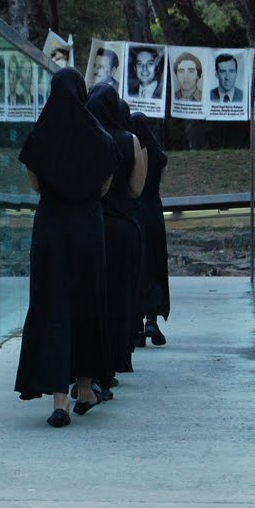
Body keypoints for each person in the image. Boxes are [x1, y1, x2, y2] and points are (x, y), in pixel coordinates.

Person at [15, 68, 120, 427]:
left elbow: (35, 185)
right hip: (87, 231)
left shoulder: (40, 137)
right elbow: (104, 187)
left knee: (52, 306)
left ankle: (59, 400)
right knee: (88, 306)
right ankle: (85, 390)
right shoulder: (101, 139)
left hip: (50, 231)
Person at [86, 84, 147, 387]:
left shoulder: (85, 138)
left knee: (93, 299)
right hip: (123, 227)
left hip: (92, 226)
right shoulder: (129, 140)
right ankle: (117, 359)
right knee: (121, 297)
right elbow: (136, 189)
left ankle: (91, 365)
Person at [130, 112, 170, 346]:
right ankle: (152, 319)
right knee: (155, 262)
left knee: (138, 265)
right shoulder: (160, 156)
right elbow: (157, 185)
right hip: (154, 211)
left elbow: (134, 185)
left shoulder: (132, 151)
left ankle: (136, 325)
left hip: (136, 211)